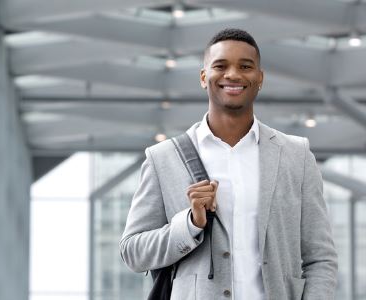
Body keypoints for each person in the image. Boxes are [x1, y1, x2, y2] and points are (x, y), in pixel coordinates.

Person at [120, 28, 338, 300]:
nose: (233, 75)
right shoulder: (163, 158)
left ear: (259, 78)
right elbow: (132, 252)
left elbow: (320, 258)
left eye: (245, 66)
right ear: (203, 77)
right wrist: (189, 224)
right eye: (220, 66)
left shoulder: (296, 155)